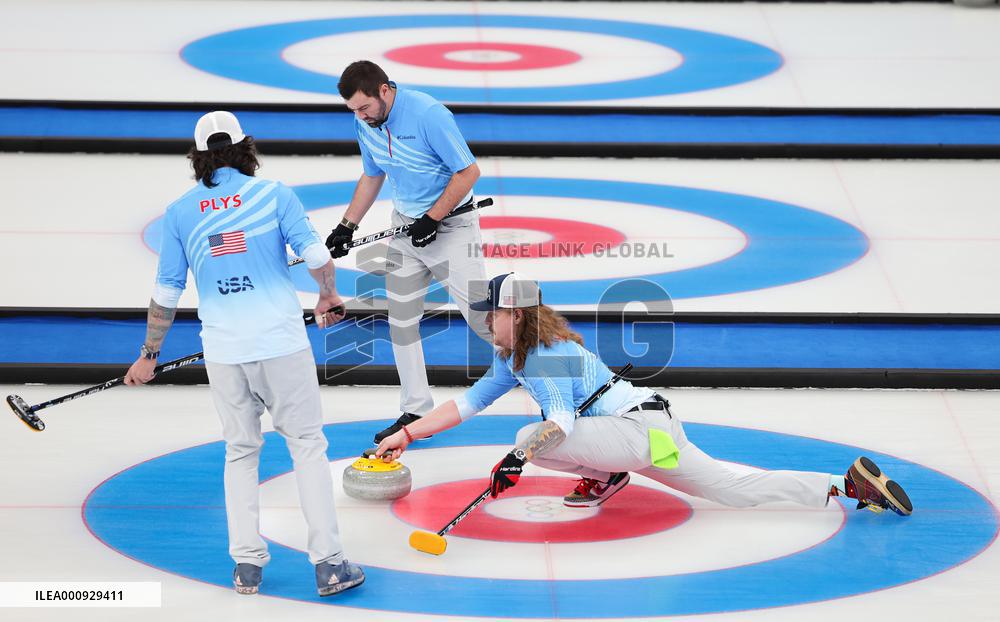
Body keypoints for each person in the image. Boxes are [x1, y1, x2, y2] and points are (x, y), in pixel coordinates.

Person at [375, 272, 913, 517]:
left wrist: (518, 457)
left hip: (633, 433)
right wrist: (407, 434)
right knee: (730, 489)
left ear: (513, 315)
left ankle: (605, 474)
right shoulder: (512, 356)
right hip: (649, 429)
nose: (484, 320)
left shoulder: (543, 357)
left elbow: (559, 423)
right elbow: (464, 405)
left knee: (528, 434)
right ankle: (844, 486)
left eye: (490, 312)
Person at [124, 111, 365, 597]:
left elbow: (167, 291)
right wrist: (327, 295)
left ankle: (247, 567)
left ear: (198, 156)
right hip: (280, 344)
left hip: (224, 351)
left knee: (240, 451)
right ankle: (329, 565)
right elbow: (317, 256)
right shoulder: (273, 194)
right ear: (244, 148)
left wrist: (149, 353)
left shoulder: (180, 212)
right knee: (307, 446)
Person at [328, 60, 492, 443]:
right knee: (401, 320)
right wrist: (347, 225)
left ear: (384, 90)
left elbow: (469, 172)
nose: (360, 116)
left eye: (364, 107)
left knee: (484, 321)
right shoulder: (365, 121)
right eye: (353, 110)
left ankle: (555, 381)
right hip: (406, 228)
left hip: (451, 228)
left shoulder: (428, 114)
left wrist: (433, 217)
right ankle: (416, 409)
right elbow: (373, 174)